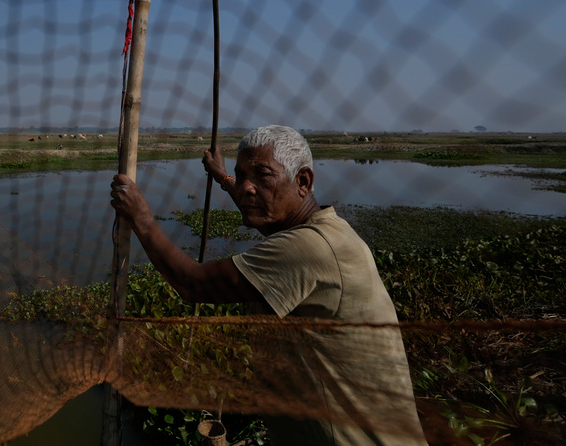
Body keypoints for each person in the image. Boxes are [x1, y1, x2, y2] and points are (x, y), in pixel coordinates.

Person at [110, 125, 427, 446]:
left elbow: (194, 285)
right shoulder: (328, 228)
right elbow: (254, 200)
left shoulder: (309, 247)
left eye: (263, 175)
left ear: (303, 182)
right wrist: (222, 176)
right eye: (242, 175)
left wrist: (143, 219)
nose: (248, 188)